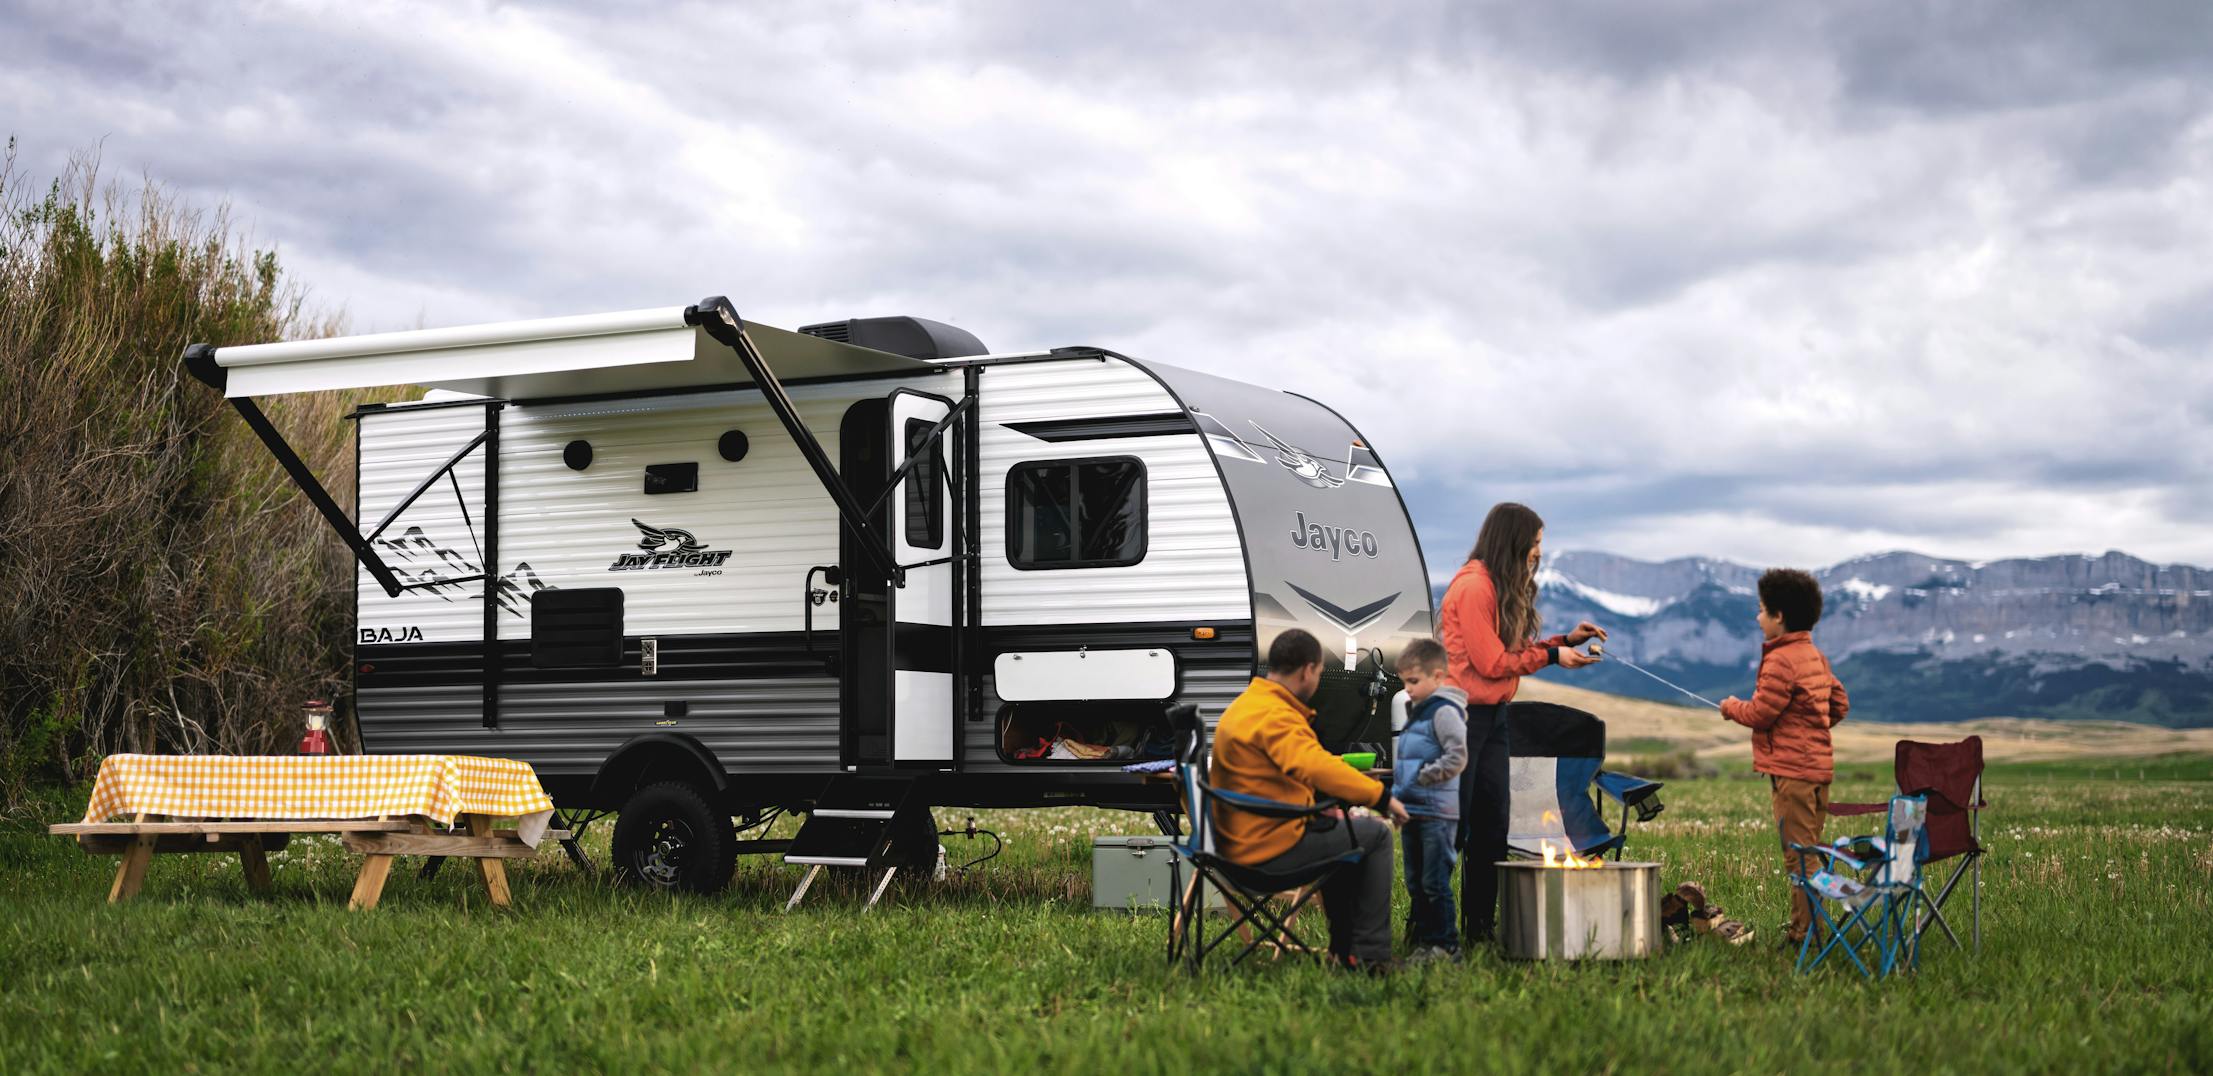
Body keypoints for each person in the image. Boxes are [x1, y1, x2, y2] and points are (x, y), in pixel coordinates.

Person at [1438, 502, 1607, 944]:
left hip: (1493, 720)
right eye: (1534, 543)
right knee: (1451, 831)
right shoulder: (1474, 587)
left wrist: (1563, 642)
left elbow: (1509, 651)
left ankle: (1479, 929)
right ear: (1513, 541)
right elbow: (1492, 661)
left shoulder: (1497, 586)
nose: (1538, 552)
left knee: (1492, 826)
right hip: (1461, 719)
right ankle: (1432, 931)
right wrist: (1552, 657)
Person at [1211, 628, 1410, 971]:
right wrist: (1381, 797)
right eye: (1318, 673)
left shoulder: (1247, 705)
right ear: (1307, 670)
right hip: (1263, 853)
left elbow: (1301, 761)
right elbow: (1312, 764)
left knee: (1340, 831)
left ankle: (1343, 950)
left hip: (1235, 844)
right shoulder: (1277, 716)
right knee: (1374, 835)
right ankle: (1371, 956)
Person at [1719, 568, 1850, 950]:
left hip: (1792, 776)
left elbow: (1761, 713)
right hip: (1819, 773)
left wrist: (1730, 707)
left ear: (1779, 617)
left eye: (1761, 610)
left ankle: (1805, 937)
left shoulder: (1781, 660)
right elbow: (1839, 703)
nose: (1757, 617)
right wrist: (1812, 730)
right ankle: (1804, 929)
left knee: (1801, 859)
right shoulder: (1815, 656)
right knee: (1809, 850)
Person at [1390, 637, 1468, 961]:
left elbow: (1457, 756)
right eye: (1404, 682)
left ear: (1438, 677)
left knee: (1435, 881)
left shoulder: (1445, 713)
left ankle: (1447, 945)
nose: (1407, 689)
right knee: (1415, 882)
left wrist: (1425, 776)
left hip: (1437, 812)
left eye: (1413, 681)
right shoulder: (1416, 714)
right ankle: (1424, 942)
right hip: (1414, 811)